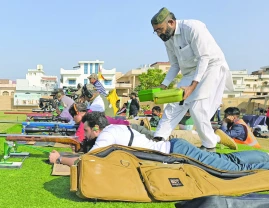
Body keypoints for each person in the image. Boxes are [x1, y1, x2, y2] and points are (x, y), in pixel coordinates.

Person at [49, 112, 269, 172]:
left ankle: (264, 165)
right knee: (224, 160)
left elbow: (87, 161)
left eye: (86, 131)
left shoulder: (106, 135)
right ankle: (263, 157)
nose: (84, 135)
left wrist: (59, 158)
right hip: (175, 150)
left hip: (176, 154)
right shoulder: (114, 129)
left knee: (229, 169)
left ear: (96, 129)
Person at [150, 7, 233, 152]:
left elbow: (204, 58)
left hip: (211, 66)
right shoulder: (167, 39)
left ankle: (209, 146)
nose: (158, 34)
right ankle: (158, 140)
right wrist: (163, 86)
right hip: (190, 73)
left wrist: (191, 87)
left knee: (197, 107)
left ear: (170, 22)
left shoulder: (193, 28)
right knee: (173, 105)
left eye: (160, 29)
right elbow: (175, 65)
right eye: (156, 31)